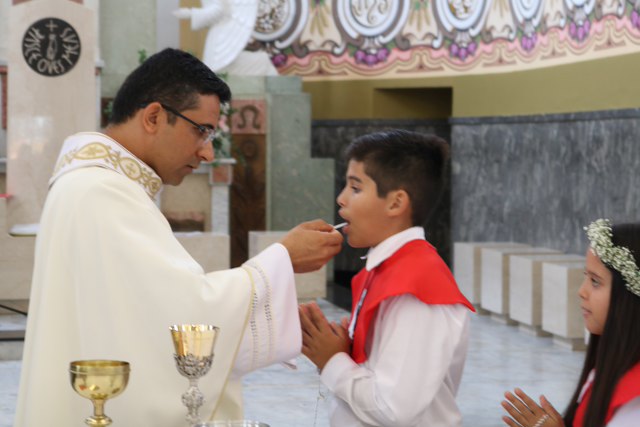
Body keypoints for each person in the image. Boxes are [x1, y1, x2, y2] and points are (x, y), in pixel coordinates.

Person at [15, 48, 343, 426]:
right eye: (201, 130)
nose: (207, 153)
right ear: (154, 117)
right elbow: (185, 315)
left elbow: (147, 312)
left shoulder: (95, 183)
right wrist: (281, 260)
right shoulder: (100, 191)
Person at [299, 129, 475, 426]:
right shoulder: (387, 266)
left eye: (355, 188)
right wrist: (342, 350)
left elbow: (393, 408)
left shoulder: (418, 287)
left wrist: (332, 360)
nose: (341, 199)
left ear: (395, 203)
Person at [502, 219, 640, 427]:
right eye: (586, 277)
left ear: (630, 296)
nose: (582, 291)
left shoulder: (634, 400)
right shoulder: (609, 371)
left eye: (595, 281)